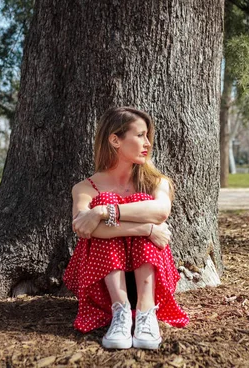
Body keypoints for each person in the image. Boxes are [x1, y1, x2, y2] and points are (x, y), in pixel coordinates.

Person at [63, 107, 188, 350]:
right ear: (115, 140)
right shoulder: (84, 188)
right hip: (103, 279)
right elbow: (84, 229)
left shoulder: (155, 182)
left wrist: (102, 214)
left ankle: (145, 312)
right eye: (140, 135)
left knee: (119, 205)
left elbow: (161, 211)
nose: (148, 143)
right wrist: (146, 229)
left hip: (149, 273)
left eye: (148, 136)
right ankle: (120, 312)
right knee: (106, 201)